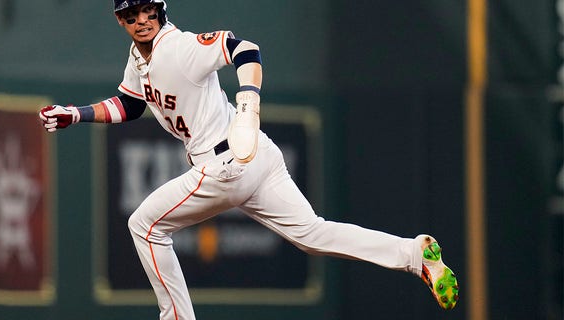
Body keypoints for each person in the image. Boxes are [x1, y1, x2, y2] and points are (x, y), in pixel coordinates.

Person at [38, 0, 459, 318]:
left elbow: (245, 49)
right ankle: (414, 255)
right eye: (131, 15)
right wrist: (77, 114)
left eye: (147, 10)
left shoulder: (179, 47)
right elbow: (130, 103)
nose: (141, 20)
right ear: (120, 21)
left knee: (143, 225)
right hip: (256, 157)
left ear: (160, 8)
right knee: (312, 234)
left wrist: (249, 102)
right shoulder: (137, 58)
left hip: (225, 163)